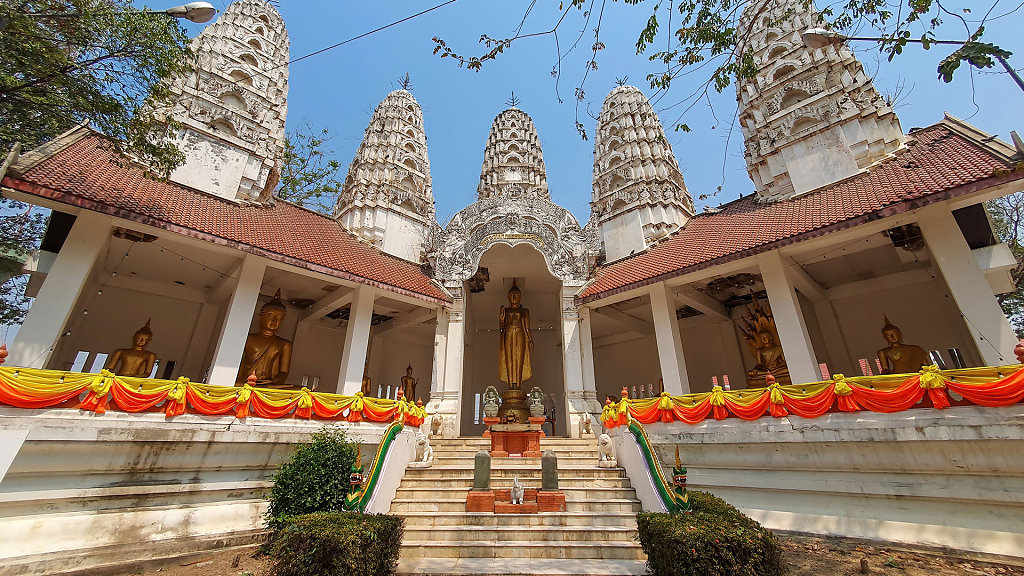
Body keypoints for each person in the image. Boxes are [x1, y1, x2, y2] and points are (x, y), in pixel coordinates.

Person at [236, 290, 292, 386]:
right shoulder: (248, 339)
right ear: (260, 317)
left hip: (268, 384)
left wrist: (274, 382)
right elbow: (238, 364)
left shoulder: (285, 344)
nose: (275, 320)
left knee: (299, 389)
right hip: (246, 382)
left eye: (280, 318)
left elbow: (284, 372)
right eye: (270, 315)